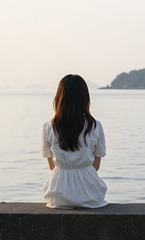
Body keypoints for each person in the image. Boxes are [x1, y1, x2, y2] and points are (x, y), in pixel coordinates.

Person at [41, 74, 108, 209]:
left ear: (59, 97)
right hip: (90, 195)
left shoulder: (49, 126)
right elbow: (96, 166)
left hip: (58, 195)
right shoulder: (95, 126)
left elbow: (51, 166)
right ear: (85, 98)